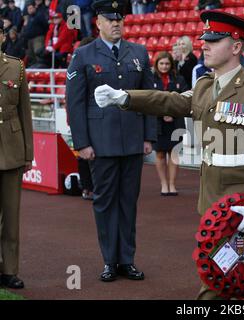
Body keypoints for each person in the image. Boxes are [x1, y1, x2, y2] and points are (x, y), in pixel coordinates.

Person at [95, 10, 244, 300]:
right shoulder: (206, 86)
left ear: (236, 47)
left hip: (243, 203)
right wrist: (125, 97)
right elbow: (170, 101)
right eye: (204, 39)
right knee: (221, 274)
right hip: (211, 198)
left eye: (214, 40)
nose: (204, 45)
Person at [66, 0, 157, 282]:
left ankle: (127, 260)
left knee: (129, 202)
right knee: (105, 203)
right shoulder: (82, 55)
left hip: (132, 141)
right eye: (110, 19)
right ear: (98, 23)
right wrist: (82, 143)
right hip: (100, 143)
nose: (117, 23)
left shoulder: (139, 52)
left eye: (120, 19)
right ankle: (109, 260)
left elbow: (149, 98)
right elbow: (75, 103)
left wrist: (148, 135)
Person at [0, 19, 33, 289]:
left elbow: (25, 113)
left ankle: (9, 270)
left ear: (2, 37)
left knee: (11, 216)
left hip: (11, 149)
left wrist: (28, 154)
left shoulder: (16, 67)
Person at [152, 51, 188, 196]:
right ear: (156, 64)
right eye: (161, 63)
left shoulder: (179, 78)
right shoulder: (150, 79)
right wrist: (162, 114)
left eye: (167, 63)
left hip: (175, 122)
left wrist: (171, 113)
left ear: (171, 64)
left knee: (174, 154)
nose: (164, 66)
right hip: (157, 122)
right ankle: (164, 184)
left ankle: (172, 184)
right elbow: (150, 99)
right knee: (160, 154)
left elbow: (184, 97)